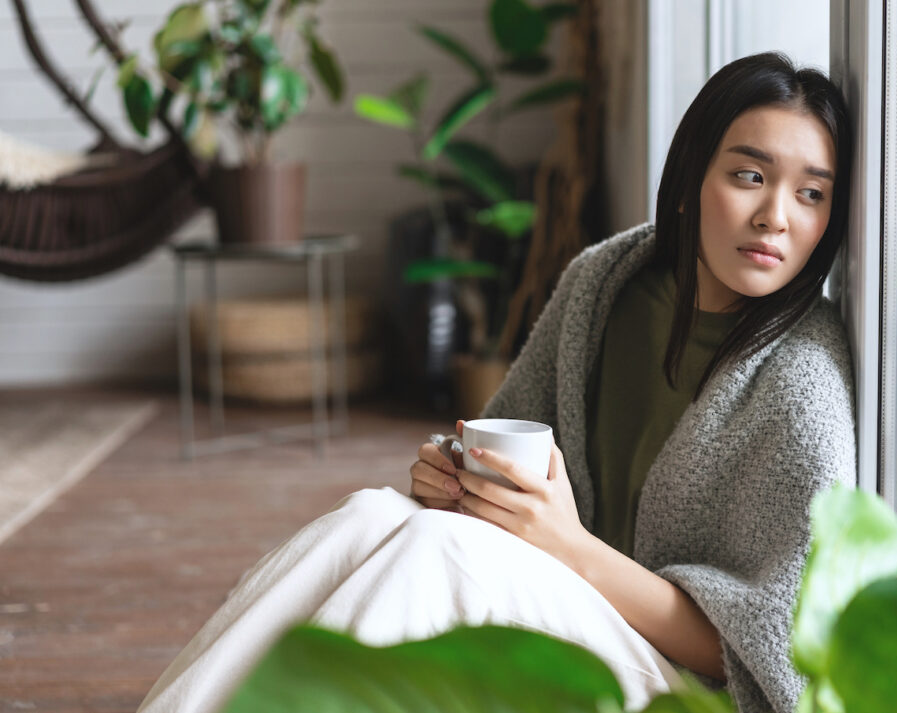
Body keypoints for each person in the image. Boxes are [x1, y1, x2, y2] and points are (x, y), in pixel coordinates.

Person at [137, 51, 856, 713]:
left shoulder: (802, 380)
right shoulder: (606, 285)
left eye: (812, 194)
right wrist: (452, 479)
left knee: (440, 553)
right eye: (750, 176)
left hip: (681, 688)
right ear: (691, 176)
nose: (776, 217)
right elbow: (507, 429)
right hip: (564, 609)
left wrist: (566, 544)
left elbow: (776, 649)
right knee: (369, 515)